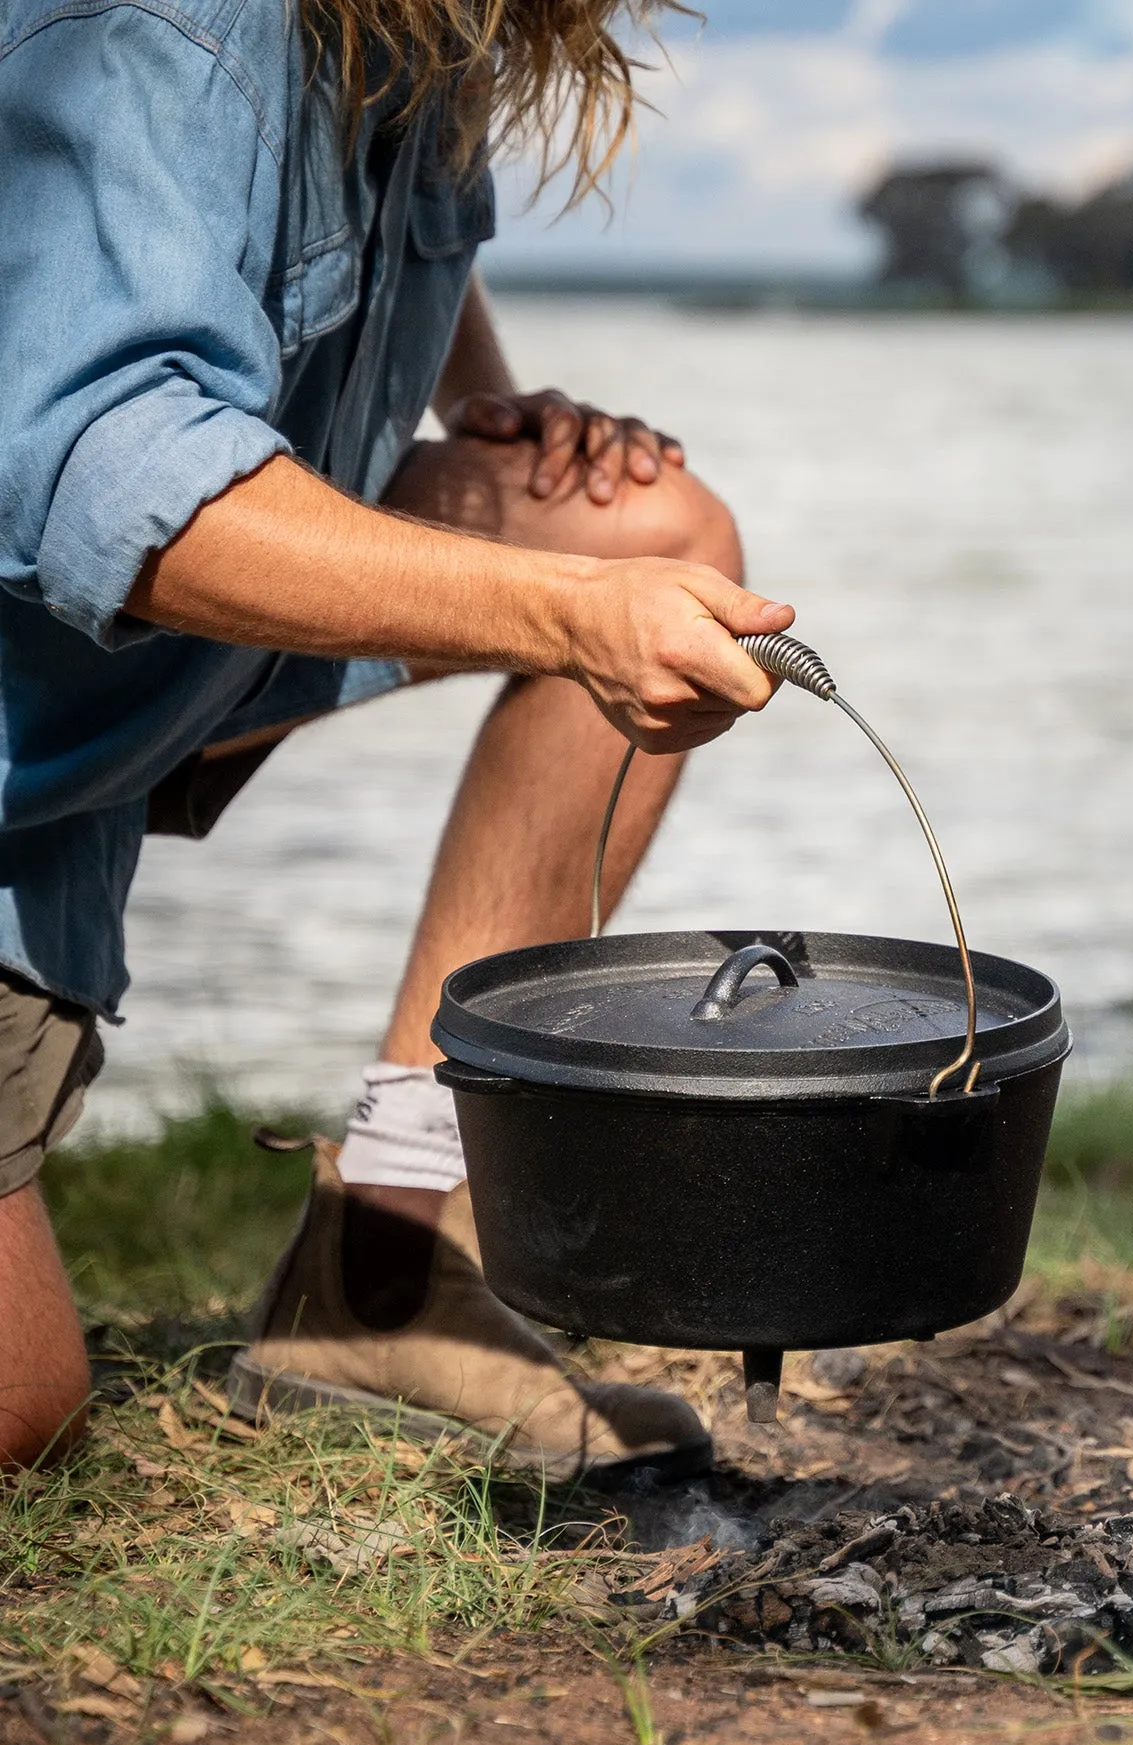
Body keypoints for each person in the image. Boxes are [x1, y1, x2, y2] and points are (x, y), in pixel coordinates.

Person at [0, 0, 792, 1470]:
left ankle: (387, 1249)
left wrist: (498, 414)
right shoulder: (166, 26)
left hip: (110, 684)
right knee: (19, 1413)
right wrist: (561, 612)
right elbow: (108, 467)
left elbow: (388, 254)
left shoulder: (408, 31)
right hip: (61, 658)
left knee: (650, 532)